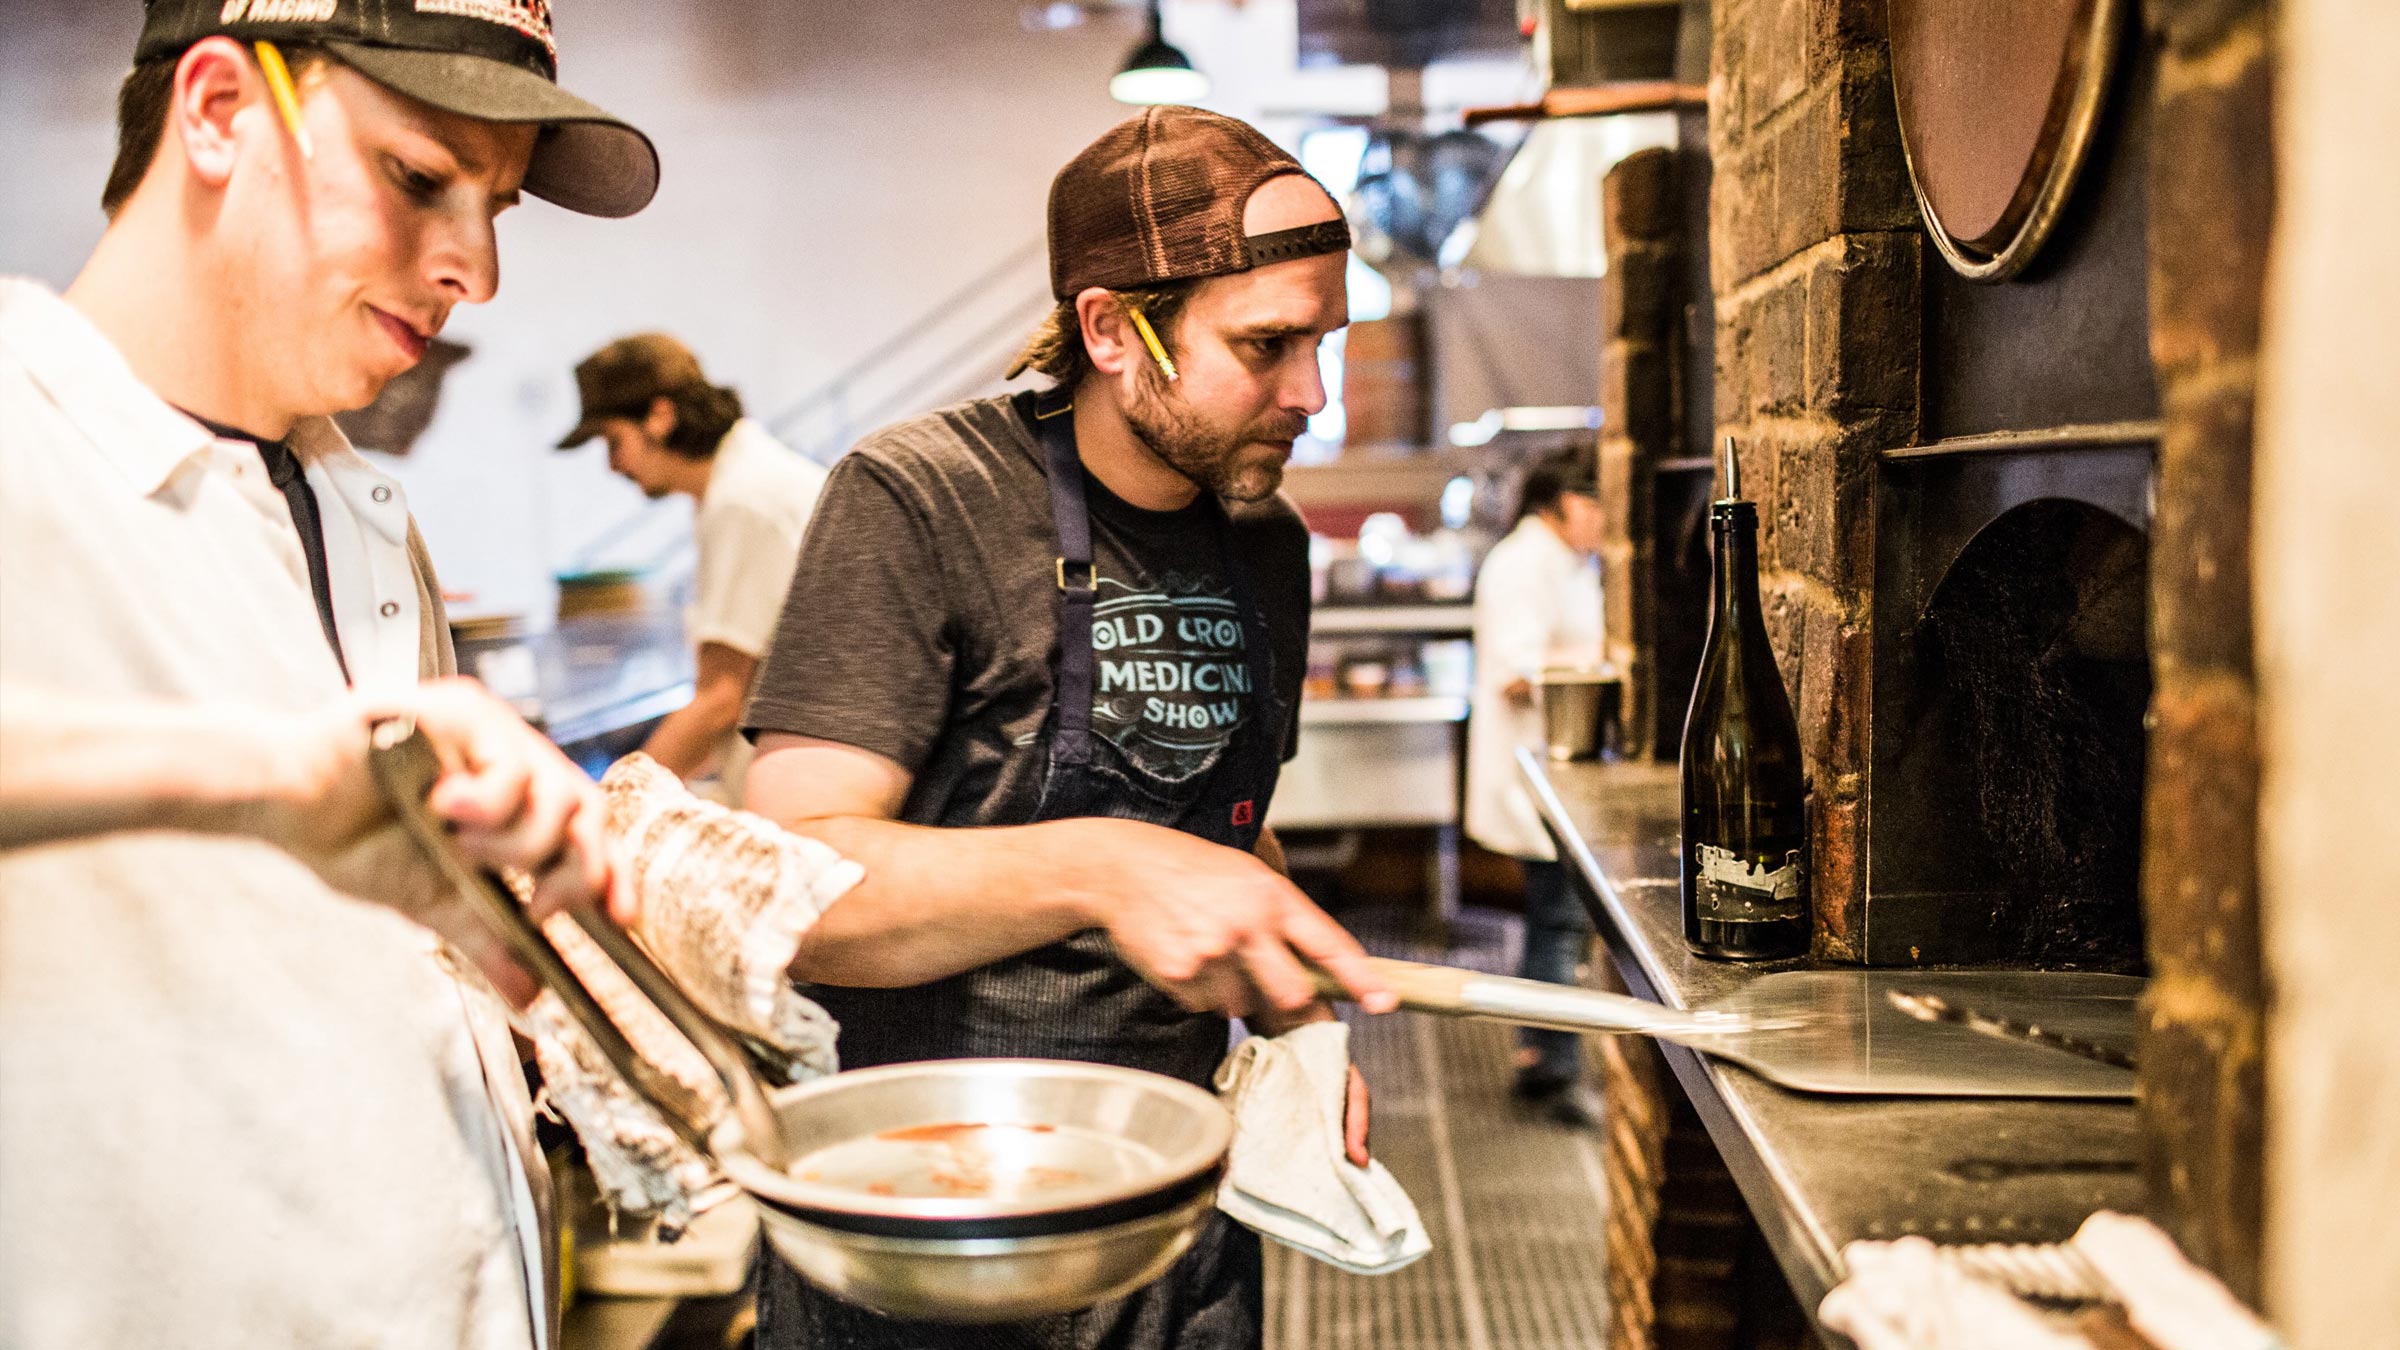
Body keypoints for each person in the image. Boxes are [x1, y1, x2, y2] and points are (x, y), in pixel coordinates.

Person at [0, 1, 657, 1344]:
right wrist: (267, 778)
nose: (474, 267)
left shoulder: (359, 510)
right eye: (419, 178)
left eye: (499, 206)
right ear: (221, 111)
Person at [739, 106, 1393, 1349]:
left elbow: (1220, 831)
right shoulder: (919, 500)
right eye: (1267, 345)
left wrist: (1301, 1023)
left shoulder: (1267, 543)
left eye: (1325, 341)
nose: (1310, 394)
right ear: (1109, 329)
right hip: (938, 1218)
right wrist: (1105, 864)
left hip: (1171, 1215)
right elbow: (794, 895)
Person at [555, 333, 826, 804]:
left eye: (613, 441)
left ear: (659, 417)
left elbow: (723, 698)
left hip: (809, 796)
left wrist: (615, 805)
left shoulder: (746, 500)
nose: (613, 466)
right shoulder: (738, 484)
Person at [1463, 445, 1608, 1126]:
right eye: (1598, 503)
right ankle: (1552, 1067)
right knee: (1557, 922)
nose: (1605, 520)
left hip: (1557, 769)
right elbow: (1515, 669)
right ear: (1563, 502)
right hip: (1532, 771)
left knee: (1555, 923)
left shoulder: (1567, 562)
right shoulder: (1523, 564)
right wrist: (1607, 663)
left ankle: (1541, 1054)